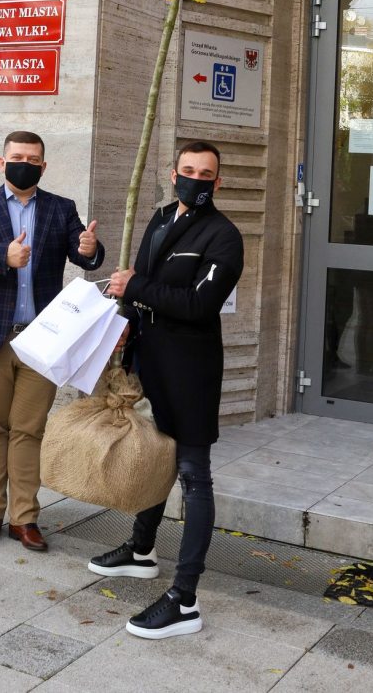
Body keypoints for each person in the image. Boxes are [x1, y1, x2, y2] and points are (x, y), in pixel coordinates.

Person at [89, 139, 243, 640]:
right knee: (157, 457)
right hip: (150, 361)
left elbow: (198, 304)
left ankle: (185, 598)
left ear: (217, 182)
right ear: (173, 175)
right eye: (188, 170)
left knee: (194, 475)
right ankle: (140, 549)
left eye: (206, 174)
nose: (196, 179)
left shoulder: (224, 236)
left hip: (191, 370)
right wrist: (125, 324)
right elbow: (143, 286)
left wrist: (134, 287)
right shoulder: (158, 218)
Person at [0, 130, 104, 552]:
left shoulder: (60, 208)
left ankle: (25, 518)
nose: (25, 165)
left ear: (44, 166)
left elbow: (83, 254)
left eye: (33, 160)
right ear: (2, 163)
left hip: (42, 339)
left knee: (29, 430)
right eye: (17, 157)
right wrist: (2, 256)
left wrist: (90, 248)